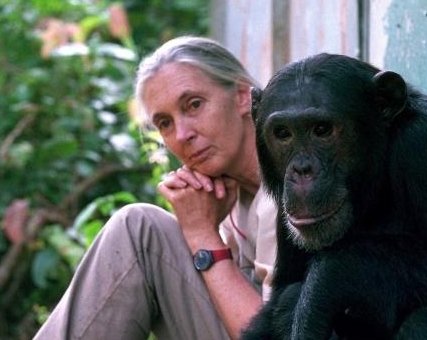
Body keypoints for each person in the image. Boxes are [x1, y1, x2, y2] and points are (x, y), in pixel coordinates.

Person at [34, 36, 277, 340]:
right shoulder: (226, 192)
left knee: (141, 230)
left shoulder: (290, 184)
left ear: (242, 96)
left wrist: (202, 236)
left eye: (194, 105)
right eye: (164, 123)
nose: (182, 134)